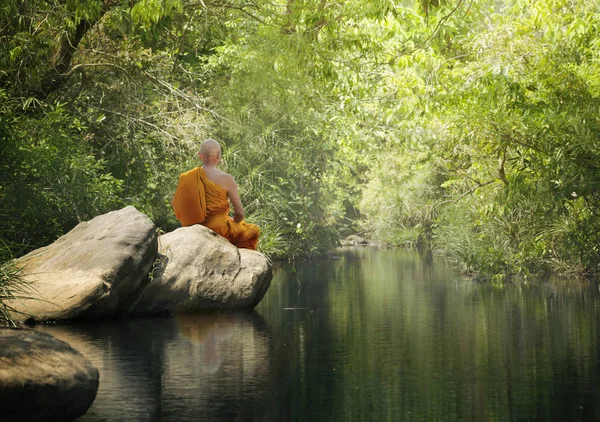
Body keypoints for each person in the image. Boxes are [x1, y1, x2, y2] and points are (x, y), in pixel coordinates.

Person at [171, 139, 260, 250]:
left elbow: (176, 204)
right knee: (253, 230)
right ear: (218, 155)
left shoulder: (186, 177)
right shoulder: (227, 179)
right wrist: (235, 222)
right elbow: (240, 213)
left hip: (194, 227)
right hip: (220, 229)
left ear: (200, 155)